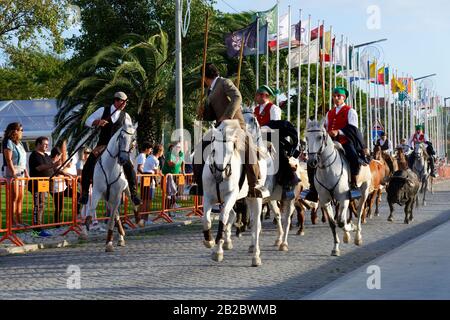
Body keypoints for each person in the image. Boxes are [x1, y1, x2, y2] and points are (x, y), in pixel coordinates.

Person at [188, 63, 269, 198]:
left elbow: (237, 97)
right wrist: (203, 112)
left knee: (248, 147)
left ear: (204, 77)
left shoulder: (224, 82)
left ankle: (255, 185)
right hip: (220, 127)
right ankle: (199, 184)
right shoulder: (209, 91)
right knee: (199, 149)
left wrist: (228, 115)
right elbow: (212, 115)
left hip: (235, 125)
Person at [305, 87, 369, 202]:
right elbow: (324, 128)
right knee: (311, 161)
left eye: (338, 96)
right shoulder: (329, 113)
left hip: (345, 141)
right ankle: (313, 188)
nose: (336, 98)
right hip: (329, 143)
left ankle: (353, 185)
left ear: (344, 97)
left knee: (354, 158)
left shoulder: (350, 111)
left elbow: (353, 128)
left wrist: (338, 131)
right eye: (334, 96)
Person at [78, 91, 141, 205]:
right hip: (103, 145)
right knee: (88, 165)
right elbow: (88, 121)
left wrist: (132, 143)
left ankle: (133, 193)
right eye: (123, 102)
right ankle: (85, 193)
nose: (124, 105)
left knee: (129, 167)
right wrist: (98, 122)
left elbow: (130, 132)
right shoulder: (103, 110)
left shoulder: (126, 116)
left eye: (125, 103)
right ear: (116, 101)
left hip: (119, 147)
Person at [28, 137, 61, 237]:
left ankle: (39, 228)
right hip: (37, 184)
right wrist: (53, 164)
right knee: (38, 206)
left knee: (42, 205)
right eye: (45, 144)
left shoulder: (46, 155)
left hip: (45, 183)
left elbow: (51, 167)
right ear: (38, 144)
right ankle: (36, 230)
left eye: (47, 144)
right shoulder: (34, 155)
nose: (47, 146)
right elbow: (39, 167)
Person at [2, 122, 29, 227]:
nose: (22, 132)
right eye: (21, 130)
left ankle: (19, 220)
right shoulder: (8, 142)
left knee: (20, 197)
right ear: (15, 131)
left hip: (21, 172)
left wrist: (26, 172)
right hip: (12, 171)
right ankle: (12, 222)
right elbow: (8, 159)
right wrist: (13, 173)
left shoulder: (20, 143)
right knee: (14, 197)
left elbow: (23, 160)